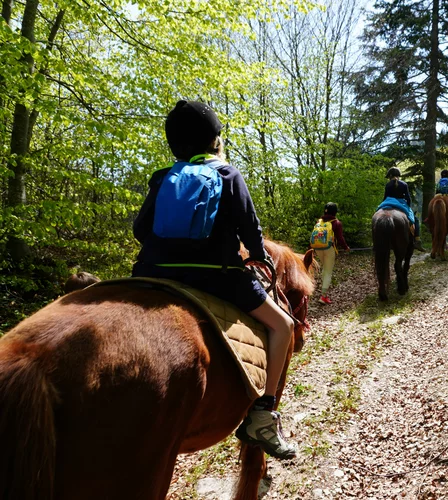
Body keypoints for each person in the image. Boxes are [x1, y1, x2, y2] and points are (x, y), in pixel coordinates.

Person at [131, 100, 296, 460]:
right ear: (215, 141)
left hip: (151, 273)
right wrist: (259, 255)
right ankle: (263, 416)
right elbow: (251, 232)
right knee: (284, 325)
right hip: (217, 277)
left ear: (175, 146)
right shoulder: (227, 174)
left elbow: (140, 230)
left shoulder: (162, 178)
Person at [381, 167, 425, 251]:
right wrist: (408, 208)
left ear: (390, 176)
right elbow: (408, 198)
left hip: (388, 203)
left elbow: (385, 197)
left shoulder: (388, 185)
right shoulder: (404, 184)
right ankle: (417, 240)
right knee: (415, 220)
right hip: (401, 204)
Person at [314, 202, 349, 305]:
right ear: (335, 211)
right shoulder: (336, 223)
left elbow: (314, 235)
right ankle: (323, 296)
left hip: (318, 248)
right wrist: (346, 247)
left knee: (325, 269)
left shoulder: (319, 222)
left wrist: (310, 249)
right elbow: (340, 238)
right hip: (329, 249)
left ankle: (323, 291)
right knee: (328, 272)